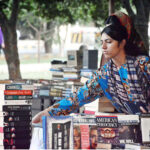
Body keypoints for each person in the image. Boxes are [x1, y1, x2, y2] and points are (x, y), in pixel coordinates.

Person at [32, 11, 150, 123]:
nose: (103, 46)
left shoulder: (143, 64)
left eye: (109, 40)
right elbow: (78, 98)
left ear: (122, 40)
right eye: (102, 41)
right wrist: (47, 113)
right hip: (134, 129)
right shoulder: (105, 74)